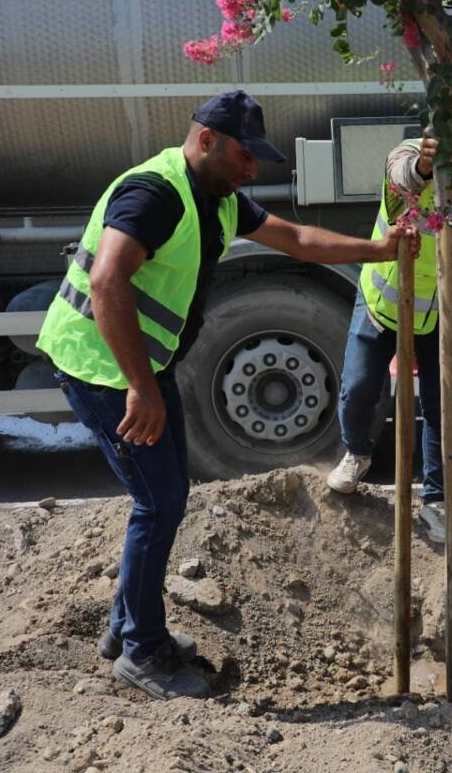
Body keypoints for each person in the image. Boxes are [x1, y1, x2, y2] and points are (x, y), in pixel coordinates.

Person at [36, 91, 415, 700]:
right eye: (245, 155)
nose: (252, 169)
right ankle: (142, 653)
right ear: (207, 140)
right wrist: (140, 388)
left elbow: (297, 239)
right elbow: (107, 280)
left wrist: (378, 249)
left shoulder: (216, 199)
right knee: (157, 504)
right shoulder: (155, 193)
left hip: (138, 365)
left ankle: (126, 628)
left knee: (164, 497)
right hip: (102, 367)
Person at [325, 113, 452, 546]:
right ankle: (357, 453)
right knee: (360, 386)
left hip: (445, 310)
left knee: (442, 407)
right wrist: (424, 169)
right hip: (386, 299)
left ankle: (436, 500)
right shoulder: (405, 156)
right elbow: (401, 183)